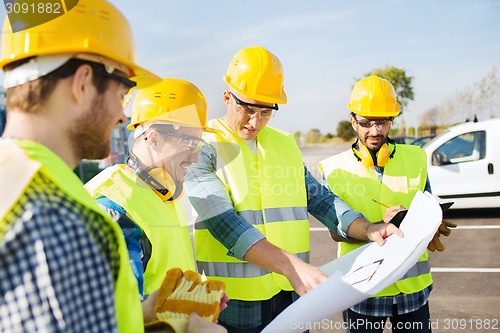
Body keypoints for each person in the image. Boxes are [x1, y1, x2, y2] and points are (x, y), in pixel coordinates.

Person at [184, 46, 403, 332]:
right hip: (235, 300)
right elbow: (223, 222)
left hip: (291, 292)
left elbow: (320, 200)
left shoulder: (284, 143)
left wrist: (369, 229)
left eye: (265, 112)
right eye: (247, 109)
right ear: (227, 97)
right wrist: (292, 267)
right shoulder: (203, 145)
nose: (254, 121)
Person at [0, 0, 160, 332]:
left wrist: (144, 314)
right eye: (122, 93)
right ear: (83, 82)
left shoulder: (13, 178)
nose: (121, 116)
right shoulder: (62, 220)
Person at [85, 78, 228, 331]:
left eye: (199, 145)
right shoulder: (116, 207)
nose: (195, 157)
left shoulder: (160, 193)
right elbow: (116, 322)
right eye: (189, 144)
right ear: (153, 138)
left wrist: (190, 305)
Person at [318, 75, 454, 332]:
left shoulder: (416, 157)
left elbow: (428, 204)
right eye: (366, 122)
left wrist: (430, 222)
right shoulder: (334, 169)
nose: (374, 131)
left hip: (412, 291)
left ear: (392, 120)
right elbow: (335, 232)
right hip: (362, 289)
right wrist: (379, 226)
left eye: (382, 122)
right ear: (352, 120)